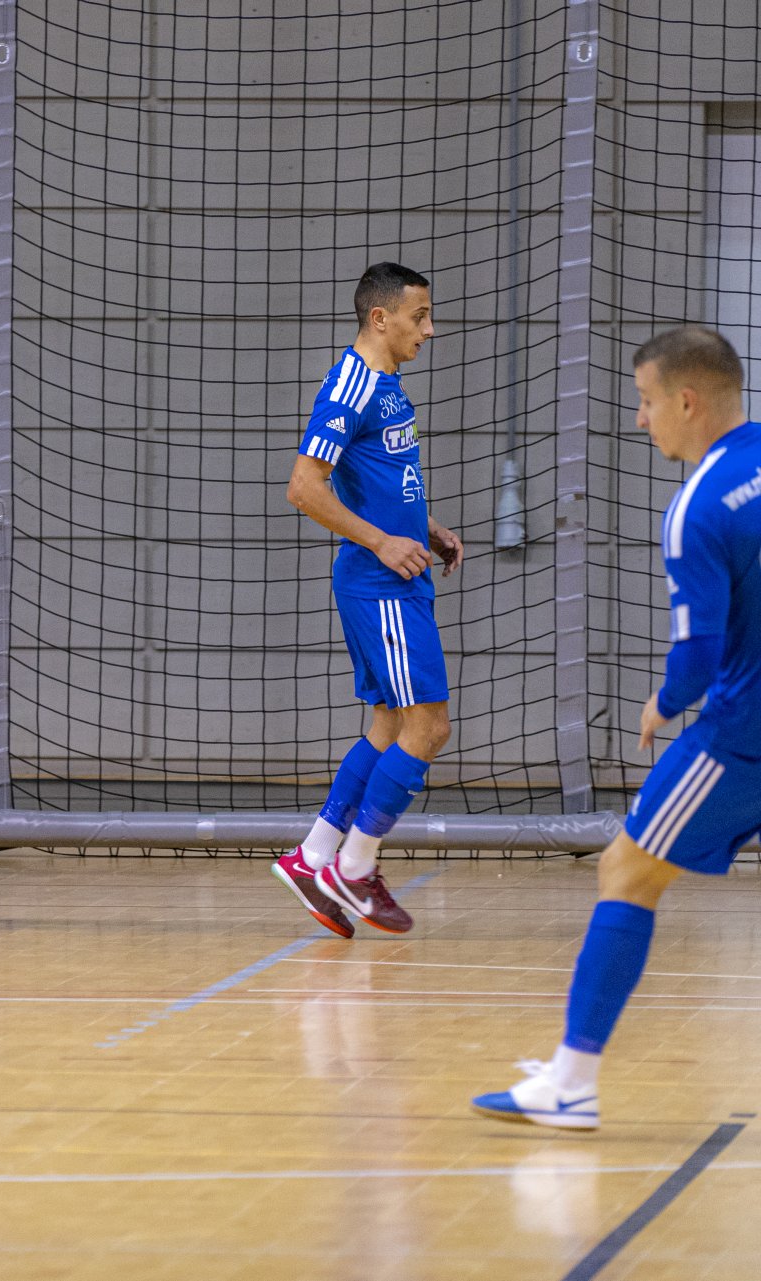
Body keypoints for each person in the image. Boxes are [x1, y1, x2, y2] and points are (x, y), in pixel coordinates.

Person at [474, 326, 761, 1130]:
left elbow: (697, 658)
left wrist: (663, 703)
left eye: (643, 401)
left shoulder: (696, 507)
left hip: (744, 736)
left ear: (687, 400)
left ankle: (570, 1082)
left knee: (625, 872)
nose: (639, 420)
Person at [270, 263, 466, 936]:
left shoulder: (387, 383)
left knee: (387, 726)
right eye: (419, 316)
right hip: (380, 584)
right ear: (381, 318)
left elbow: (383, 479)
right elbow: (303, 487)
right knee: (429, 727)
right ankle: (354, 869)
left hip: (395, 576)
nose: (429, 329)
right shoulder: (351, 384)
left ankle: (316, 854)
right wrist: (384, 542)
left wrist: (425, 529)